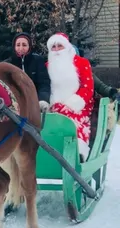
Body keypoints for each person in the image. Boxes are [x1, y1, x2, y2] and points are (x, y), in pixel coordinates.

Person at [46, 32, 95, 161]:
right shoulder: (47, 66)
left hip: (77, 105)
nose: (56, 50)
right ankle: (48, 155)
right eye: (53, 47)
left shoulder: (81, 63)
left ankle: (77, 155)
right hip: (54, 105)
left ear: (67, 47)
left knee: (73, 123)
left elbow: (88, 86)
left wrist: (72, 104)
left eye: (59, 46)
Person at [5, 32, 51, 112]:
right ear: (14, 47)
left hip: (35, 102)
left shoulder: (37, 60)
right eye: (18, 45)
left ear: (29, 46)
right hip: (15, 104)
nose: (21, 48)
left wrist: (43, 99)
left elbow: (44, 83)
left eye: (24, 45)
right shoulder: (8, 63)